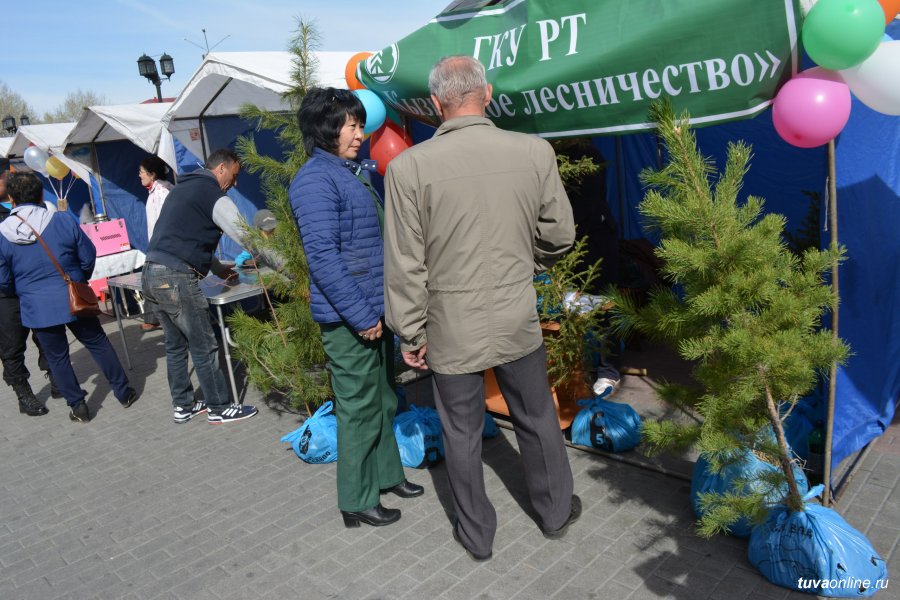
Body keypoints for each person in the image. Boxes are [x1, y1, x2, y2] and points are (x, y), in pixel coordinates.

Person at [383, 55, 581, 561]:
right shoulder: (533, 151)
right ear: (487, 93)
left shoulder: (408, 167)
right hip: (516, 311)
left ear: (436, 103)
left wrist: (410, 332)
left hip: (449, 322)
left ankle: (477, 536)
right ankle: (556, 512)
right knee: (536, 417)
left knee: (461, 433)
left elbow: (405, 263)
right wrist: (527, 259)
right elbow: (560, 234)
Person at [289, 87, 421, 529]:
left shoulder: (346, 172)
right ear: (325, 128)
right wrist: (362, 316)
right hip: (351, 319)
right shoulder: (315, 180)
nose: (360, 134)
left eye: (361, 125)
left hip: (372, 310)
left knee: (382, 399)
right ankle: (357, 498)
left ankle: (386, 474)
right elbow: (323, 259)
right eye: (351, 126)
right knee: (359, 409)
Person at [0, 172, 137, 422]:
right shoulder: (62, 220)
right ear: (40, 195)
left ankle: (78, 407)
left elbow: (3, 279)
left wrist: (23, 290)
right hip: (73, 296)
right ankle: (123, 392)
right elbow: (87, 255)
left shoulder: (2, 234)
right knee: (98, 343)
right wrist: (78, 279)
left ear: (11, 199)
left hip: (36, 305)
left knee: (57, 357)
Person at [142, 149, 258, 424]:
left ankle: (183, 406)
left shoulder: (181, 190)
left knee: (175, 345)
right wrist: (282, 266)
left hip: (150, 273)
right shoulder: (212, 193)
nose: (234, 183)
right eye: (234, 175)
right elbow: (245, 235)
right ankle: (219, 407)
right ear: (221, 168)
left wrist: (217, 268)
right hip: (175, 277)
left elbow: (181, 236)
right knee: (204, 343)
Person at [0, 162, 60, 415]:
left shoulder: (28, 206)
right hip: (5, 294)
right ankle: (23, 393)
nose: (6, 180)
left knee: (45, 334)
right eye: (3, 177)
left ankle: (56, 377)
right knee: (11, 345)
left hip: (32, 286)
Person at [138, 154, 173, 331]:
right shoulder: (154, 191)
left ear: (152, 174)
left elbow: (167, 222)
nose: (139, 175)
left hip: (165, 249)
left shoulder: (163, 192)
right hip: (157, 248)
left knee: (161, 285)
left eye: (142, 172)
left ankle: (162, 319)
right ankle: (155, 318)